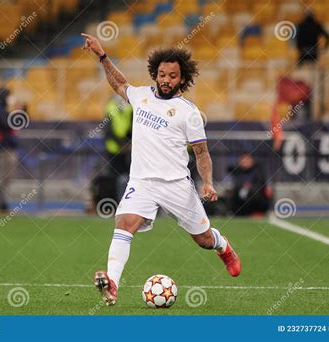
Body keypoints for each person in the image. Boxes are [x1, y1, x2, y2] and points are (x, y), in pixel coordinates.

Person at [81, 33, 241, 306]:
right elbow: (119, 83)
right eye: (162, 74)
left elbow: (202, 153)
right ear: (155, 73)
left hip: (177, 184)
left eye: (173, 76)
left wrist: (208, 183)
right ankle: (113, 285)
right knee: (124, 225)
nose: (166, 80)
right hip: (142, 182)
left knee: (202, 239)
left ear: (183, 79)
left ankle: (223, 247)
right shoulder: (141, 96)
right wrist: (102, 56)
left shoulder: (188, 112)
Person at [0, 87, 20, 211]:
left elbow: (20, 121)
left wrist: (21, 110)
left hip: (10, 146)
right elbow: (6, 123)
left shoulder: (8, 109)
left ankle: (2, 200)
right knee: (0, 175)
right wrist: (12, 111)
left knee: (9, 175)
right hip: (0, 148)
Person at [104, 94, 133, 201]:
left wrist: (128, 143)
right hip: (114, 149)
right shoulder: (111, 107)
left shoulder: (129, 108)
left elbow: (131, 127)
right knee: (115, 177)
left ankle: (127, 201)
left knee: (128, 176)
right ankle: (115, 202)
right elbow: (109, 129)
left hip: (126, 149)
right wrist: (122, 144)